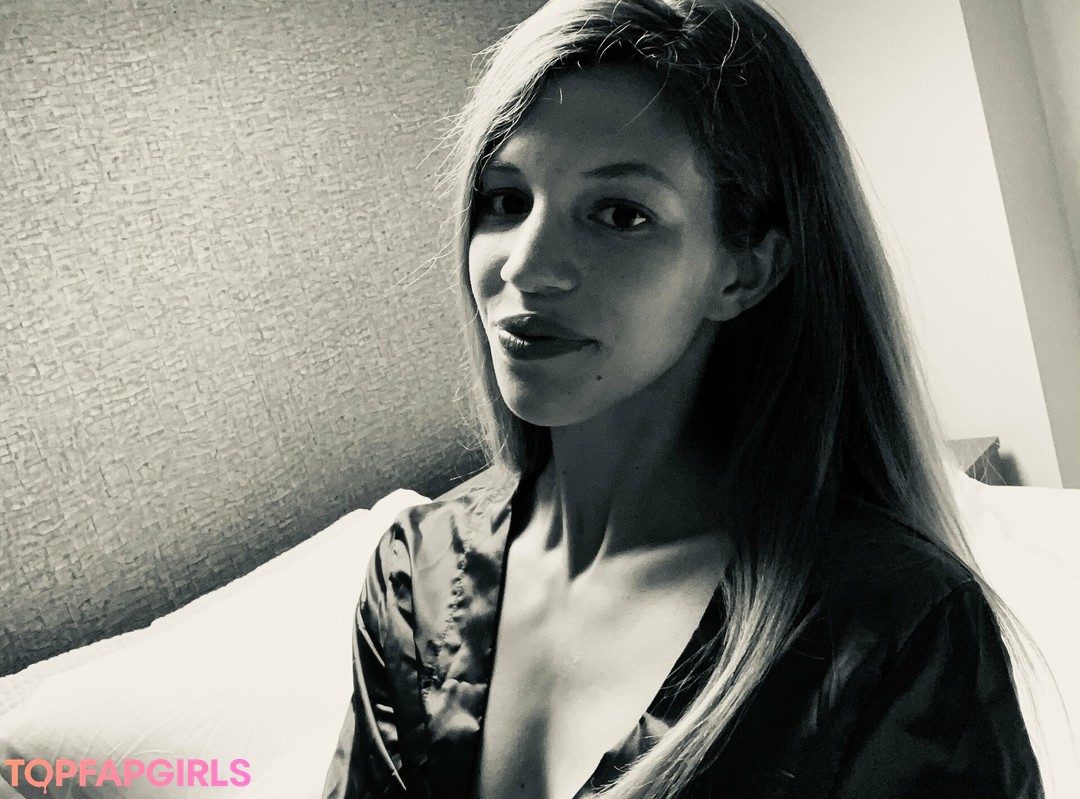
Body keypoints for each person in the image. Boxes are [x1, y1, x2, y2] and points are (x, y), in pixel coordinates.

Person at [323, 0, 1045, 796]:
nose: (525, 267)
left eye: (618, 214)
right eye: (506, 200)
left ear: (745, 270)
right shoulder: (416, 571)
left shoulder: (893, 629)